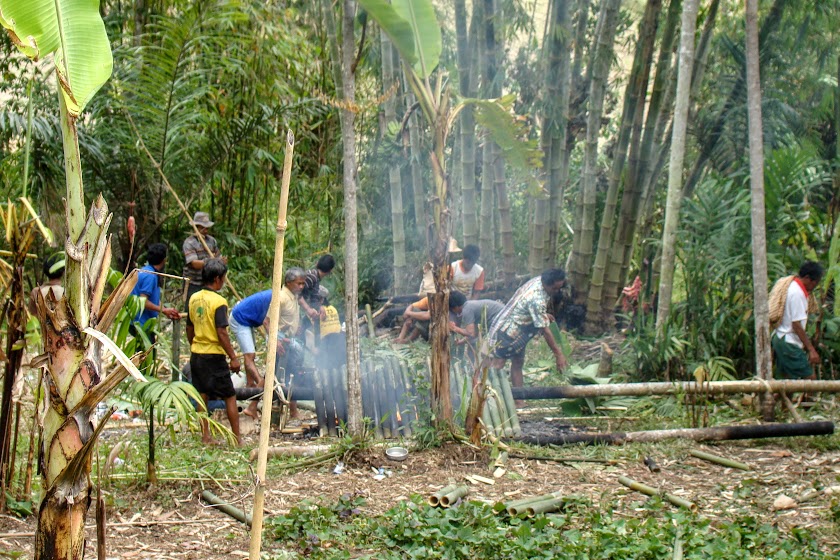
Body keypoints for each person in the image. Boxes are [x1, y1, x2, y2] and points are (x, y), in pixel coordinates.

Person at [484, 269, 568, 391]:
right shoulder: (535, 299)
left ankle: (520, 400)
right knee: (497, 365)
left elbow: (531, 311)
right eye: (554, 289)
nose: (556, 292)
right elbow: (545, 330)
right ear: (546, 283)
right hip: (508, 333)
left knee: (518, 363)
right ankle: (485, 397)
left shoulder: (539, 280)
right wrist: (558, 354)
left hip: (521, 331)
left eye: (559, 288)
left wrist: (542, 315)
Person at [186, 259, 242, 446]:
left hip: (197, 354)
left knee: (202, 395)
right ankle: (237, 439)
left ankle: (205, 436)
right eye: (224, 278)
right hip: (214, 355)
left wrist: (194, 345)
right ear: (217, 279)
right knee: (229, 395)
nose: (224, 281)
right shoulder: (219, 301)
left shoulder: (193, 298)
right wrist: (233, 357)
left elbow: (190, 327)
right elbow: (221, 332)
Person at [770, 261, 823, 384]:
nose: (814, 286)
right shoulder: (797, 293)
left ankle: (771, 402)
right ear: (807, 278)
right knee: (811, 379)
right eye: (815, 283)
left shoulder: (793, 287)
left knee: (787, 382)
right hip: (788, 342)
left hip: (781, 338)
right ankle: (809, 403)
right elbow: (796, 325)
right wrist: (811, 349)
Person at [229, 289, 273, 419]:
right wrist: (273, 340)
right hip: (240, 319)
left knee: (250, 352)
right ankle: (260, 385)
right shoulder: (276, 297)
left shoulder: (280, 295)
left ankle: (250, 384)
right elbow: (267, 322)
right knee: (250, 356)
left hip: (249, 320)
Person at [130, 243, 181, 343]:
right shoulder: (151, 276)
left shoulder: (144, 271)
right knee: (147, 355)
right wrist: (163, 310)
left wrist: (165, 310)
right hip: (141, 323)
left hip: (139, 322)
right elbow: (143, 301)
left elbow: (153, 299)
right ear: (164, 260)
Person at [277, 267, 308, 418]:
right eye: (299, 283)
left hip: (290, 341)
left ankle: (293, 411)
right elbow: (268, 321)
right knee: (276, 377)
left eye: (303, 284)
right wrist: (276, 341)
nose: (301, 287)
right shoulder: (281, 297)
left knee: (291, 375)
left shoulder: (294, 297)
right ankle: (254, 405)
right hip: (281, 342)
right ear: (289, 283)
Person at [182, 211, 224, 309]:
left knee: (208, 308)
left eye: (206, 228)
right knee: (192, 309)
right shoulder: (189, 243)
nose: (205, 230)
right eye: (202, 228)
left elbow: (218, 258)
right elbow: (194, 264)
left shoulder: (211, 241)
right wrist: (211, 261)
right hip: (193, 282)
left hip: (208, 282)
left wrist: (220, 261)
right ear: (196, 227)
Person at [395, 291, 468, 344]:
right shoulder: (438, 303)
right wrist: (408, 312)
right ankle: (401, 338)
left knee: (423, 318)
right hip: (430, 329)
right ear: (455, 307)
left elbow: (426, 316)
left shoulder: (461, 311)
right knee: (415, 312)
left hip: (439, 336)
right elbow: (414, 307)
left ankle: (408, 340)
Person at [315, 286, 347, 371]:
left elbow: (317, 330)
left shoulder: (318, 311)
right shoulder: (333, 308)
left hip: (328, 343)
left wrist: (316, 347)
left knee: (328, 368)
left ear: (321, 300)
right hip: (340, 340)